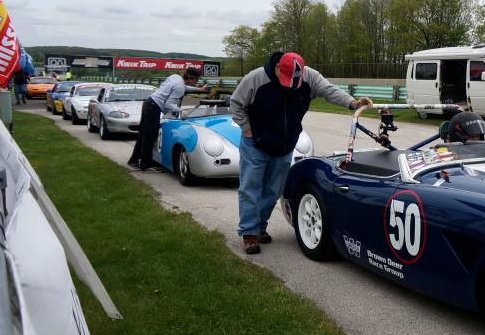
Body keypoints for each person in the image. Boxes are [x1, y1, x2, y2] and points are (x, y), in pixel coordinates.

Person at [230, 51, 372, 254]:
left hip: (285, 144)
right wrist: (246, 129)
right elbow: (236, 103)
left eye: (295, 81)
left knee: (273, 190)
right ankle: (249, 234)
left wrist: (353, 103)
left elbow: (329, 90)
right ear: (278, 67)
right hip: (255, 143)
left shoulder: (310, 77)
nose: (290, 85)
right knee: (250, 188)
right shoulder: (256, 78)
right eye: (287, 80)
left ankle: (259, 226)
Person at [127, 67, 207, 171]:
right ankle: (145, 164)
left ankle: (134, 160)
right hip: (154, 107)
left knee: (143, 134)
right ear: (191, 77)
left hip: (149, 103)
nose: (197, 82)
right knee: (150, 136)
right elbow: (168, 104)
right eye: (196, 79)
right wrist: (181, 111)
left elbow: (183, 88)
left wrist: (198, 90)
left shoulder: (176, 77)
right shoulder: (180, 87)